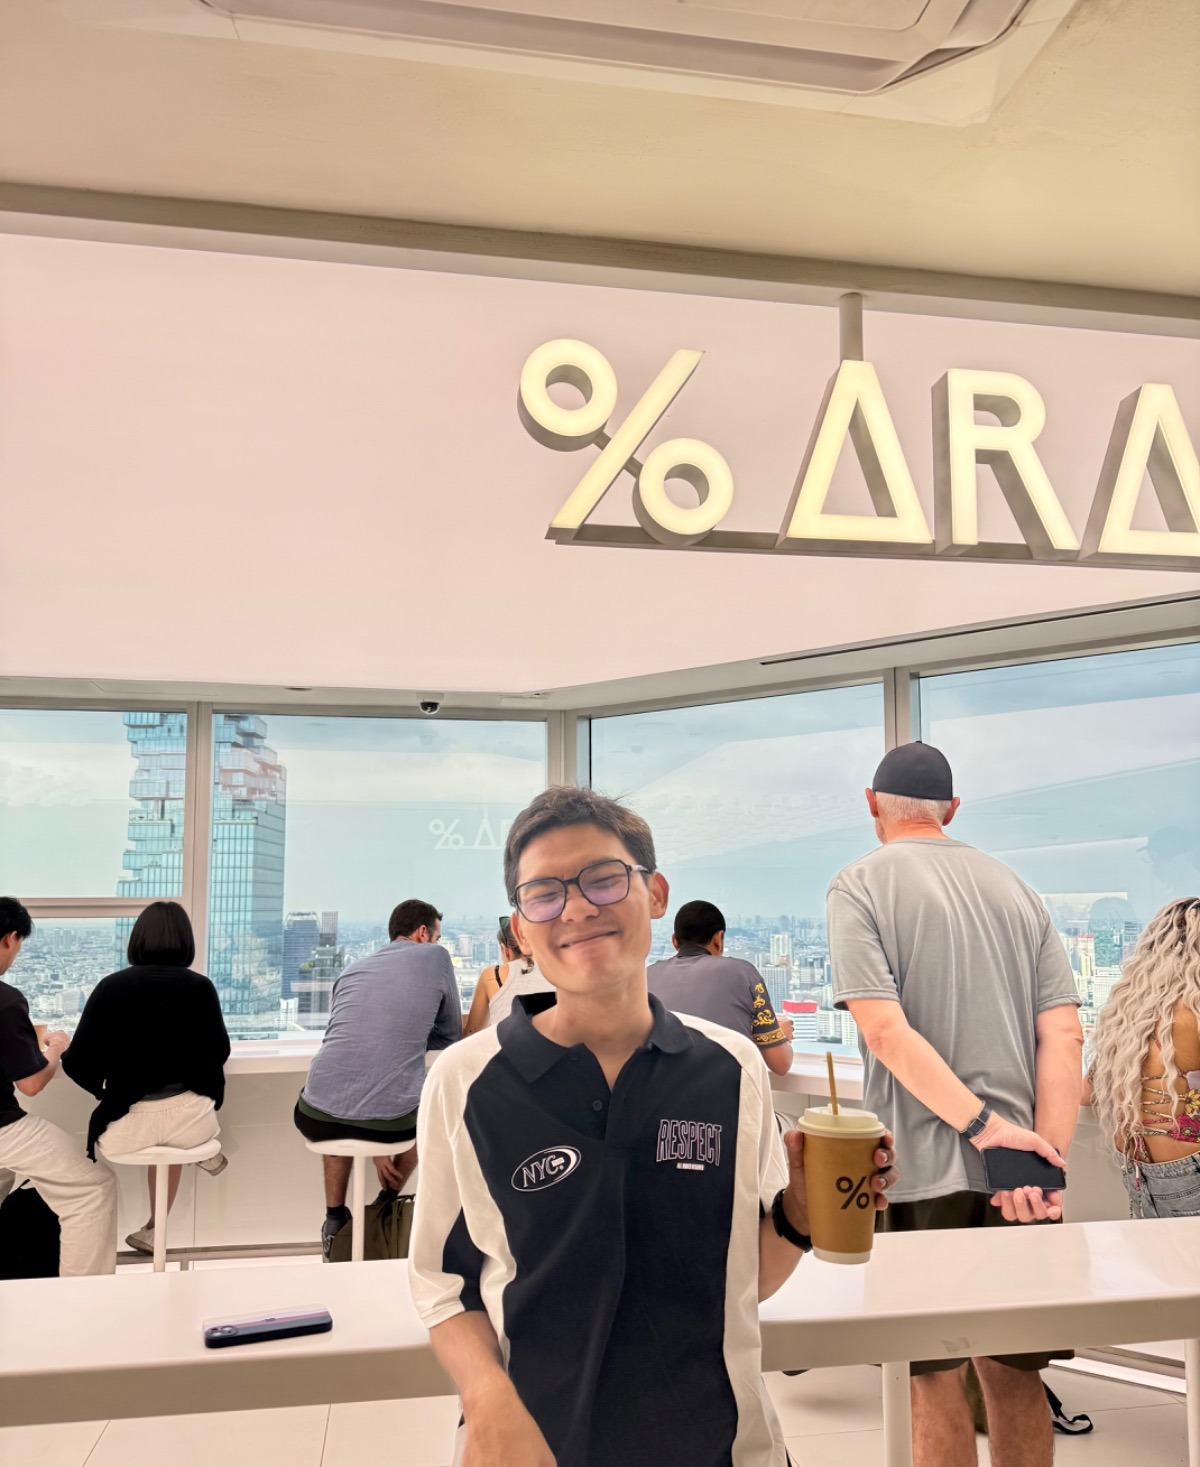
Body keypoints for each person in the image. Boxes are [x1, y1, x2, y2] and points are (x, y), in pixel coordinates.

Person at [409, 786, 898, 1467]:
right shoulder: (466, 1081)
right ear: (521, 928)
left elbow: (741, 1280)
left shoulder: (731, 1068)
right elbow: (445, 1286)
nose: (577, 907)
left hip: (726, 1446)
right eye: (544, 893)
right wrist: (488, 1397)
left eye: (604, 878)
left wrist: (798, 1215)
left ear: (656, 893)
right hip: (539, 1447)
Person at [828, 741, 1085, 1467]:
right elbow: (1064, 1035)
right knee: (1013, 1372)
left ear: (872, 804)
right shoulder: (1016, 889)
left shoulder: (858, 884)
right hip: (1021, 1178)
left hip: (921, 1170)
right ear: (952, 809)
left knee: (931, 1376)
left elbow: (884, 1031)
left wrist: (982, 1127)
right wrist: (1041, 1160)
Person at [62, 901, 231, 1256]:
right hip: (192, 1122)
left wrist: (107, 1092)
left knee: (156, 1134)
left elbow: (77, 1062)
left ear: (137, 939)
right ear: (186, 941)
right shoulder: (201, 987)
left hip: (126, 1130)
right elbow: (220, 1051)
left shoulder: (111, 987)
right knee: (176, 1141)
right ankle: (157, 1227)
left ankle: (139, 1235)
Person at [295, 898, 462, 1256]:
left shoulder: (352, 969)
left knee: (332, 1102)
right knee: (435, 1115)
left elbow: (350, 1038)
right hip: (390, 1126)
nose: (437, 943)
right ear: (422, 933)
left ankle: (334, 1219)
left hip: (313, 1116)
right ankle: (384, 1206)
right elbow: (450, 1035)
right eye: (436, 937)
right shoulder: (436, 957)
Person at [0, 897, 118, 1276]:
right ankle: (80, 1297)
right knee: (93, 1187)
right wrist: (55, 1048)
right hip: (3, 1127)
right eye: (18, 944)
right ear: (10, 938)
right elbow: (31, 1084)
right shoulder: (6, 1000)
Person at [1088, 897, 1200, 1217]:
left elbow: (1085, 1093)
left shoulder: (1127, 1013)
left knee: (1165, 1251)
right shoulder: (1193, 1011)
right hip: (1191, 1166)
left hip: (1139, 1169)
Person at [647, 899, 795, 1075]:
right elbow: (780, 1064)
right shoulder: (743, 973)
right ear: (718, 938)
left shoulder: (646, 977)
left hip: (656, 1088)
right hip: (722, 1090)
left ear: (674, 941)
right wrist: (779, 1036)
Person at [463, 916, 553, 1036]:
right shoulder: (559, 973)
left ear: (504, 949)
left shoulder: (494, 975)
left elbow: (472, 1033)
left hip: (509, 1047)